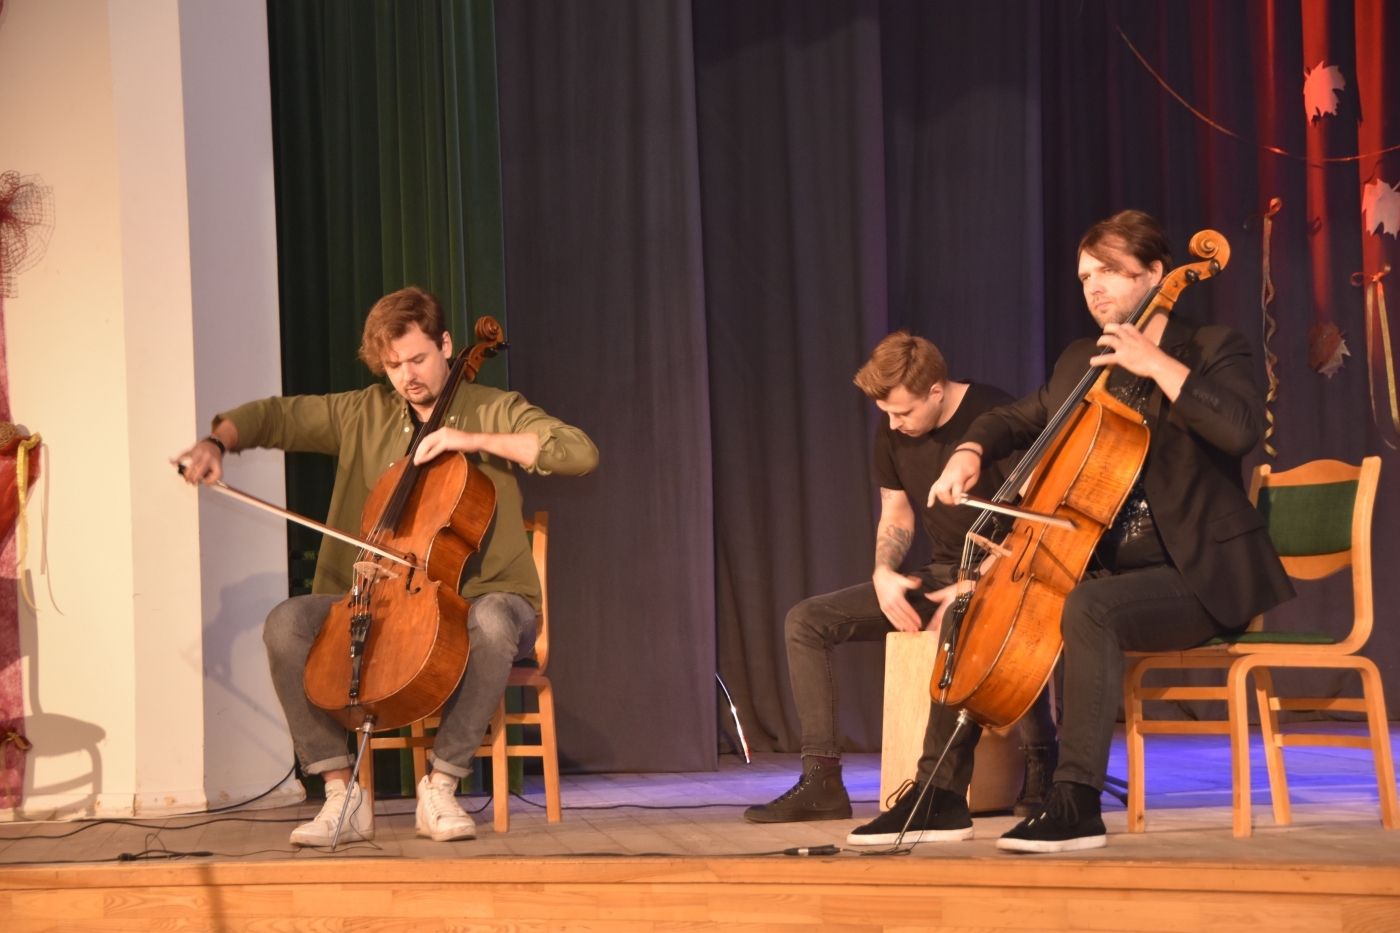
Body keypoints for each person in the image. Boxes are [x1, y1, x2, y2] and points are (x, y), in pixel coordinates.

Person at [927, 210, 1294, 853]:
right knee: (976, 603)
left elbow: (1242, 431)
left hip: (1198, 576)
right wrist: (969, 451)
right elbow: (1018, 417)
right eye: (1085, 275)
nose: (1093, 287)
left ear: (1156, 273)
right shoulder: (1082, 360)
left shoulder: (1212, 345)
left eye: (1109, 272)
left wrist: (1155, 363)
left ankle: (1074, 803)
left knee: (1090, 608)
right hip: (1109, 567)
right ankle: (939, 797)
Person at [178, 286, 598, 846]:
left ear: (447, 345)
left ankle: (441, 785)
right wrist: (216, 442)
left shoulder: (494, 407)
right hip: (380, 600)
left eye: (418, 359)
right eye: (394, 366)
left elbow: (578, 451)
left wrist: (469, 438)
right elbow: (274, 418)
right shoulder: (362, 413)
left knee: (495, 620)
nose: (408, 376)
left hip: (488, 601)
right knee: (287, 623)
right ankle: (340, 792)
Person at [742, 332, 1058, 845]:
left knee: (995, 624)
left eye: (902, 412)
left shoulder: (996, 415)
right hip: (938, 574)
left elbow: (1037, 517)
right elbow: (897, 510)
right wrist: (883, 571)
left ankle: (1041, 756)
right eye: (886, 414)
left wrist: (975, 585)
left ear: (936, 390)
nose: (893, 424)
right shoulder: (893, 430)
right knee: (806, 621)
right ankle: (822, 779)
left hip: (1010, 573)